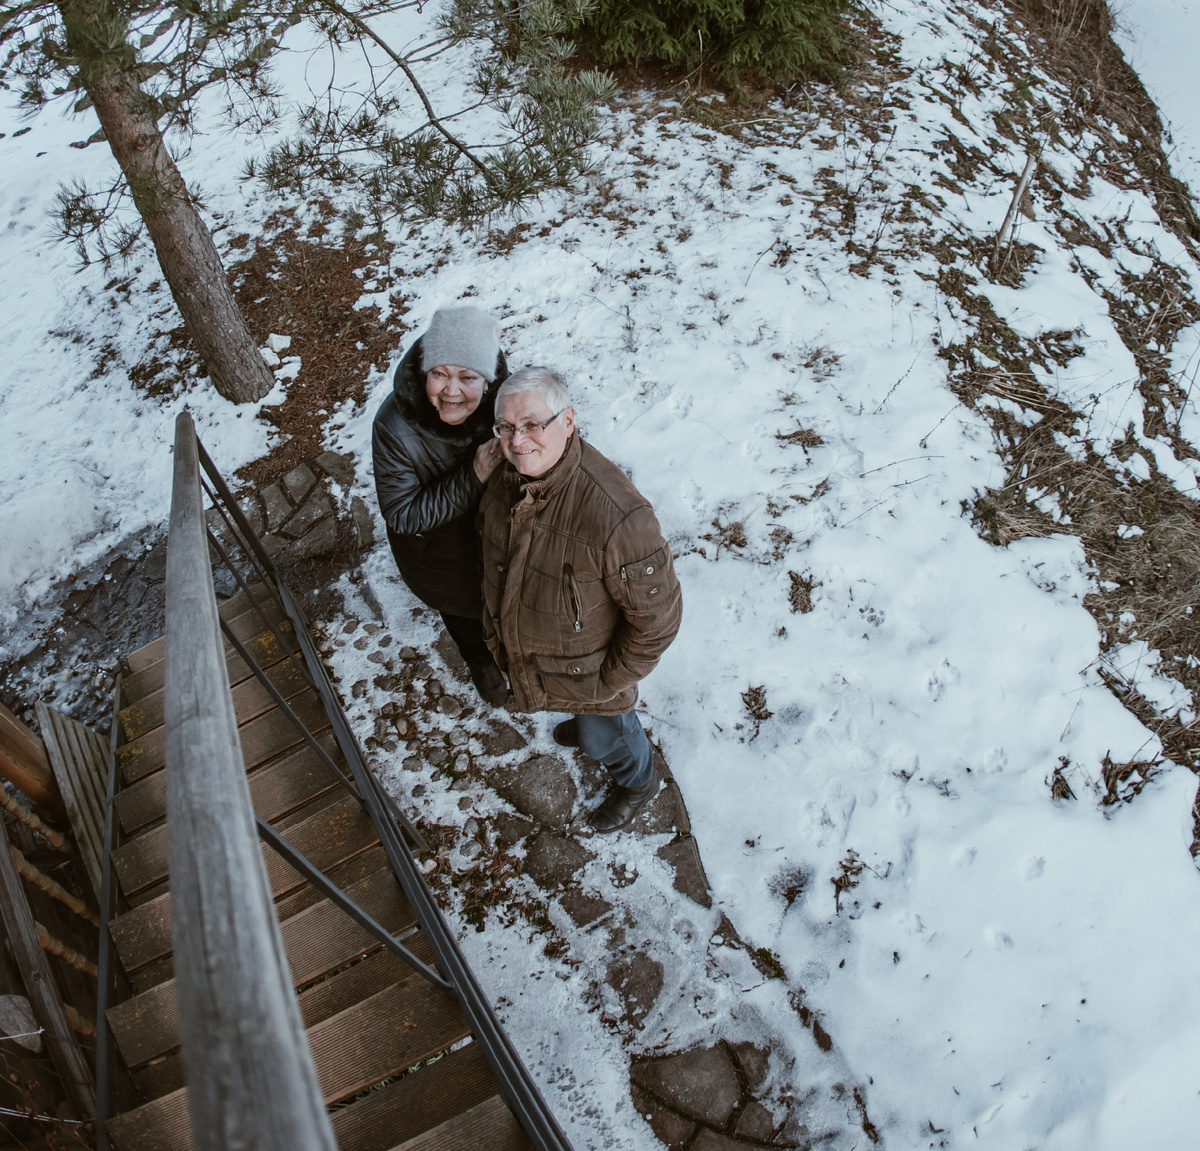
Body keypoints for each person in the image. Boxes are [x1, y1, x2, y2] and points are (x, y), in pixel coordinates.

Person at [477, 367, 683, 832]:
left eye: (533, 424)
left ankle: (638, 780)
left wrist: (607, 683)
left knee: (606, 733)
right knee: (592, 725)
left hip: (592, 679)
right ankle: (585, 718)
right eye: (506, 427)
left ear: (567, 421)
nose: (517, 441)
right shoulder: (510, 474)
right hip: (557, 664)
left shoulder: (620, 518)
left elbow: (658, 621)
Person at [372, 306, 510, 706]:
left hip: (502, 546)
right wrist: (473, 475)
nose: (451, 391)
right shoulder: (393, 426)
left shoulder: (508, 406)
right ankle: (482, 667)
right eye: (439, 374)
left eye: (467, 377)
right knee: (467, 621)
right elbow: (402, 514)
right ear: (424, 371)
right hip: (444, 562)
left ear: (488, 380)